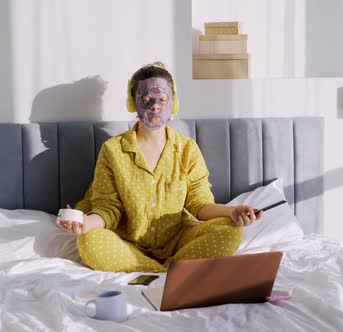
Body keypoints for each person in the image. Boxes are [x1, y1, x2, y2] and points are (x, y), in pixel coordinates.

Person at [57, 62, 263, 272]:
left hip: (179, 239)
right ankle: (168, 272)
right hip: (128, 245)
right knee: (89, 242)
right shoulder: (112, 150)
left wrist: (232, 212)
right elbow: (108, 209)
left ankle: (157, 269)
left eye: (163, 100)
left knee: (231, 231)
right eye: (146, 100)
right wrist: (85, 224)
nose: (155, 106)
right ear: (132, 104)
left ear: (173, 103)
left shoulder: (187, 149)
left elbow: (199, 204)